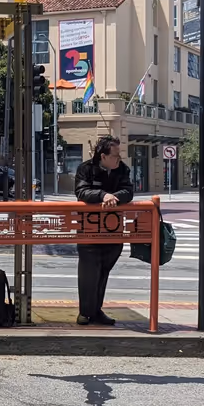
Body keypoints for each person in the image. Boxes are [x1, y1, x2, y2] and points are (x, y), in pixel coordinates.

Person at [74, 136, 134, 326]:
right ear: (103, 156)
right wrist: (103, 195)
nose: (119, 158)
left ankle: (96, 311)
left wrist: (113, 197)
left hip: (113, 230)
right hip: (89, 229)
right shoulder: (85, 169)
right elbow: (81, 192)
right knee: (88, 274)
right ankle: (85, 312)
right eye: (115, 155)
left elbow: (128, 191)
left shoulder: (123, 169)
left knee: (103, 273)